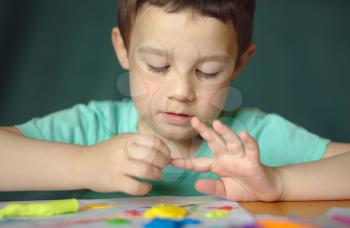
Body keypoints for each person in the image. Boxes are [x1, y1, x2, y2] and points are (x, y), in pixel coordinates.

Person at [0, 0, 349, 201]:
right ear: (122, 48)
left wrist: (278, 183)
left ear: (241, 62)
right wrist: (84, 164)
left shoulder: (249, 139)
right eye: (158, 66)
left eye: (209, 71)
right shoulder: (94, 130)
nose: (181, 91)